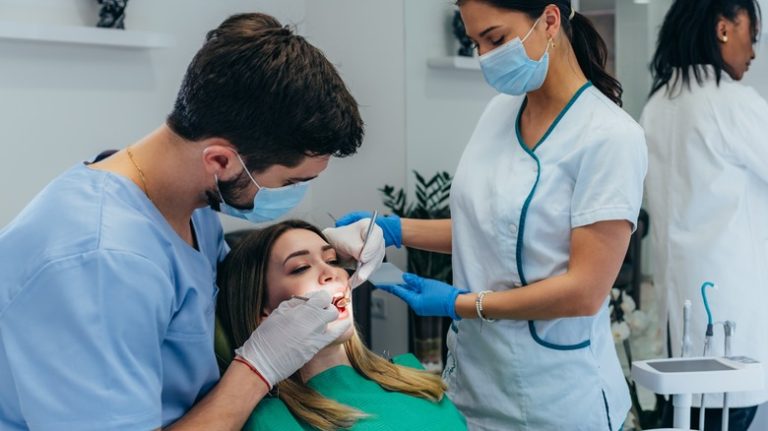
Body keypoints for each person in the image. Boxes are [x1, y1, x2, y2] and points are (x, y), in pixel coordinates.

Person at [0, 13, 385, 431]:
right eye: (290, 183)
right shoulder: (99, 263)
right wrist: (260, 366)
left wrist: (319, 246)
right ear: (220, 160)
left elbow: (219, 281)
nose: (294, 197)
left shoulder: (186, 204)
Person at [327, 1, 648, 429]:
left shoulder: (610, 137)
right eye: (477, 42)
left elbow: (584, 291)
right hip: (474, 381)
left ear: (550, 21)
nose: (485, 57)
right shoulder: (500, 111)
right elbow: (492, 228)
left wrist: (460, 304)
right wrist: (392, 230)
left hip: (556, 396)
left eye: (495, 39)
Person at [641, 0, 765, 429]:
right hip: (733, 322)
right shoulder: (731, 103)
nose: (754, 50)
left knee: (684, 416)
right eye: (754, 32)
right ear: (724, 28)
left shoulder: (656, 106)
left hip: (680, 321)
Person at [216, 220, 467, 431]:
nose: (333, 273)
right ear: (265, 313)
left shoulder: (409, 373)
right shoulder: (272, 420)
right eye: (301, 268)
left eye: (333, 260)